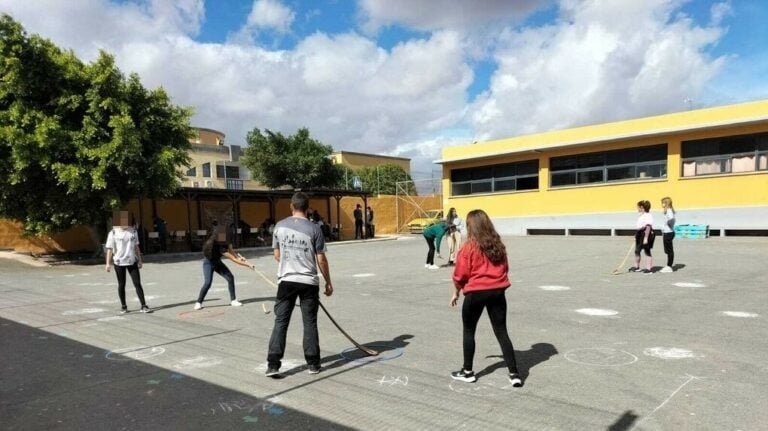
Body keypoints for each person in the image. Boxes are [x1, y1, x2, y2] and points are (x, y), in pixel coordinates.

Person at [449, 209, 522, 387]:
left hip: (476, 293)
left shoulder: (468, 247)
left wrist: (457, 291)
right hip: (498, 292)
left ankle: (468, 372)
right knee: (501, 331)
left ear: (470, 226)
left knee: (469, 331)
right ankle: (515, 374)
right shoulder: (497, 245)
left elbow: (460, 274)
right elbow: (505, 268)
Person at [266, 192, 333, 377]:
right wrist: (328, 282)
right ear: (307, 208)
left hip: (286, 281)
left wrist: (290, 264)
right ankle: (313, 364)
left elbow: (277, 255)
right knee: (309, 323)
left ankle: (273, 365)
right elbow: (321, 259)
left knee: (281, 321)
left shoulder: (279, 227)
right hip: (308, 282)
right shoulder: (315, 229)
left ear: (291, 206)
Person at [194, 227, 254, 310]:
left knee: (230, 277)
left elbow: (231, 250)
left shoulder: (224, 240)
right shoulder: (218, 246)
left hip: (217, 261)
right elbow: (233, 259)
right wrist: (248, 265)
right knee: (208, 283)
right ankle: (198, 302)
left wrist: (239, 257)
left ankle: (233, 300)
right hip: (208, 263)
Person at [105, 211, 150, 314]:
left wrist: (140, 260)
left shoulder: (133, 232)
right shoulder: (113, 233)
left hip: (132, 261)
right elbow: (110, 249)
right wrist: (108, 263)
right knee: (121, 284)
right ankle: (124, 306)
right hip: (119, 262)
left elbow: (136, 246)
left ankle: (144, 305)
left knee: (137, 283)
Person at [631, 200, 655, 273]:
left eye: (638, 207)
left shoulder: (648, 215)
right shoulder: (642, 215)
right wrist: (637, 234)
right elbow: (640, 226)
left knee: (647, 251)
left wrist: (645, 238)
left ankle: (649, 268)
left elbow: (648, 226)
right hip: (640, 234)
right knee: (637, 250)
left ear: (642, 207)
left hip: (646, 234)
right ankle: (636, 266)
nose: (637, 208)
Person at [660, 197, 676, 273]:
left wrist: (669, 225)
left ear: (666, 203)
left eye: (663, 203)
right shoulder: (667, 211)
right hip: (667, 232)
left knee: (669, 250)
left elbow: (672, 219)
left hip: (669, 232)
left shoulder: (669, 210)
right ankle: (668, 265)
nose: (662, 204)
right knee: (667, 250)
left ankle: (669, 266)